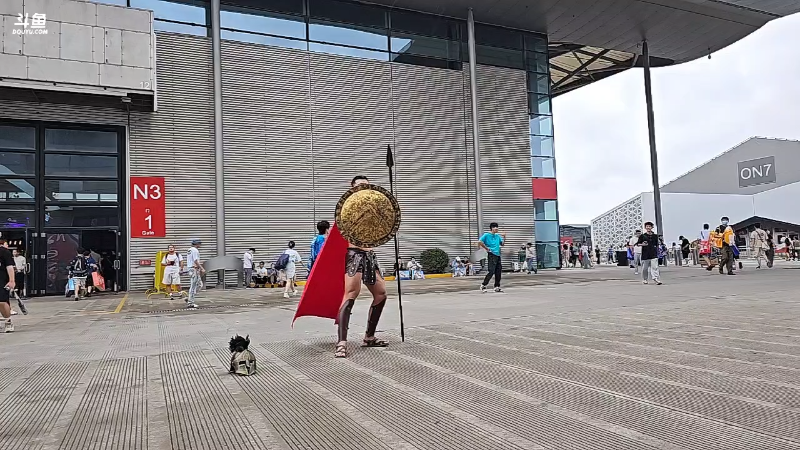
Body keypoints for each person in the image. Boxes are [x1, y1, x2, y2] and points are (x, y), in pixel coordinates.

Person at [478, 222, 505, 293]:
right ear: (492, 228)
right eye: (495, 227)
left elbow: (502, 244)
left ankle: (497, 286)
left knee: (498, 271)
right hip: (491, 254)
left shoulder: (497, 236)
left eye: (497, 227)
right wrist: (486, 248)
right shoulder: (486, 235)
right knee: (491, 271)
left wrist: (504, 237)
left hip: (498, 255)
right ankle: (483, 285)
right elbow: (480, 242)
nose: (497, 228)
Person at [0, 240, 17, 332]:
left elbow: (10, 267)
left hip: (2, 281)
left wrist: (12, 280)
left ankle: (8, 321)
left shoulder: (4, 252)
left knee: (2, 301)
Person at [186, 239, 205, 308]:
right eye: (199, 244)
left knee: (200, 285)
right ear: (197, 244)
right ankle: (190, 302)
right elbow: (195, 260)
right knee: (193, 286)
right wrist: (201, 268)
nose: (200, 245)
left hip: (192, 269)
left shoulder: (190, 250)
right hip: (194, 269)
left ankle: (189, 298)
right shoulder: (195, 250)